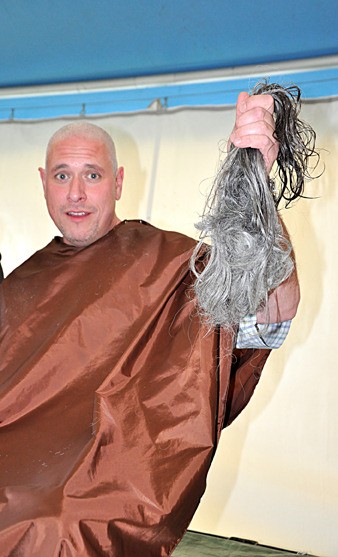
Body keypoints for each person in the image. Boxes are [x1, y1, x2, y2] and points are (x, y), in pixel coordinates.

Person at [0, 93, 299, 557]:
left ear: (117, 182)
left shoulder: (174, 266)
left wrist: (258, 189)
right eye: (63, 176)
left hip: (97, 493)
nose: (76, 194)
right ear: (43, 183)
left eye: (92, 176)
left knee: (53, 524)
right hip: (18, 471)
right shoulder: (22, 283)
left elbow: (273, 314)